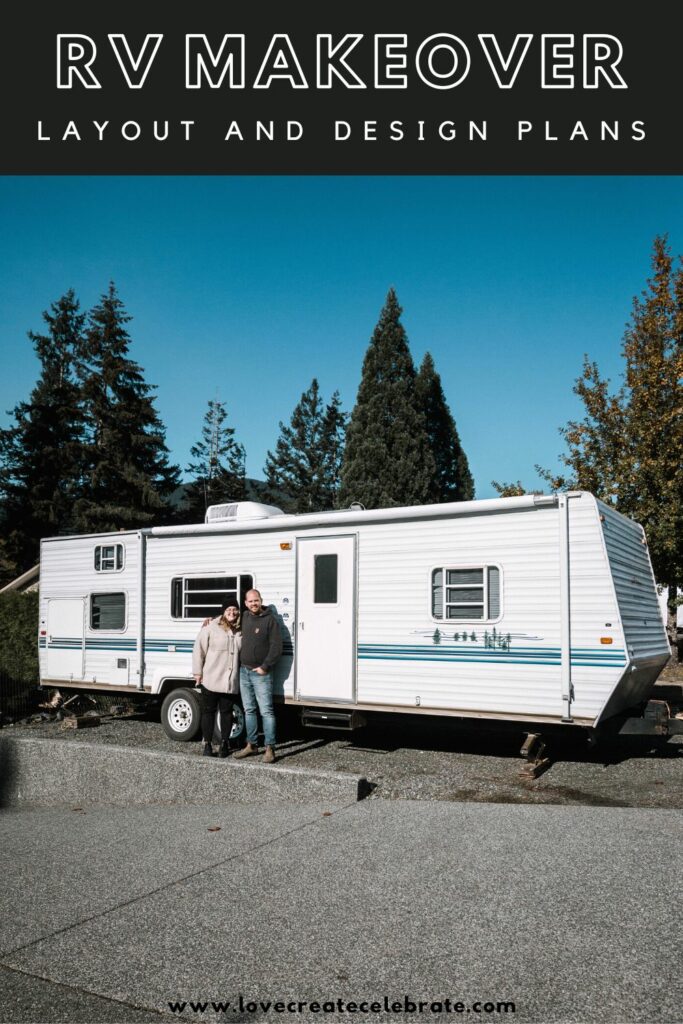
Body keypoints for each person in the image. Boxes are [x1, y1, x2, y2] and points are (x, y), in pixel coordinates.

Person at [233, 588, 282, 764]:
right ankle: (252, 745)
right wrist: (211, 621)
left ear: (261, 600)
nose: (254, 603)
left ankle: (270, 748)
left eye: (257, 600)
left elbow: (277, 647)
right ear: (246, 603)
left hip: (261, 674)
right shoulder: (244, 617)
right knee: (249, 710)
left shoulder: (270, 620)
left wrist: (265, 667)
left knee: (266, 711)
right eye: (250, 601)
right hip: (244, 672)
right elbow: (228, 619)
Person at [192, 602, 241, 758]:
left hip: (229, 681)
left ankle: (224, 744)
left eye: (234, 609)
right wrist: (197, 673)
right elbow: (198, 650)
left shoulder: (242, 629)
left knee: (227, 713)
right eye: (228, 609)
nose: (232, 612)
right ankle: (207, 744)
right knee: (208, 712)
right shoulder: (211, 627)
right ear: (223, 611)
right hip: (210, 678)